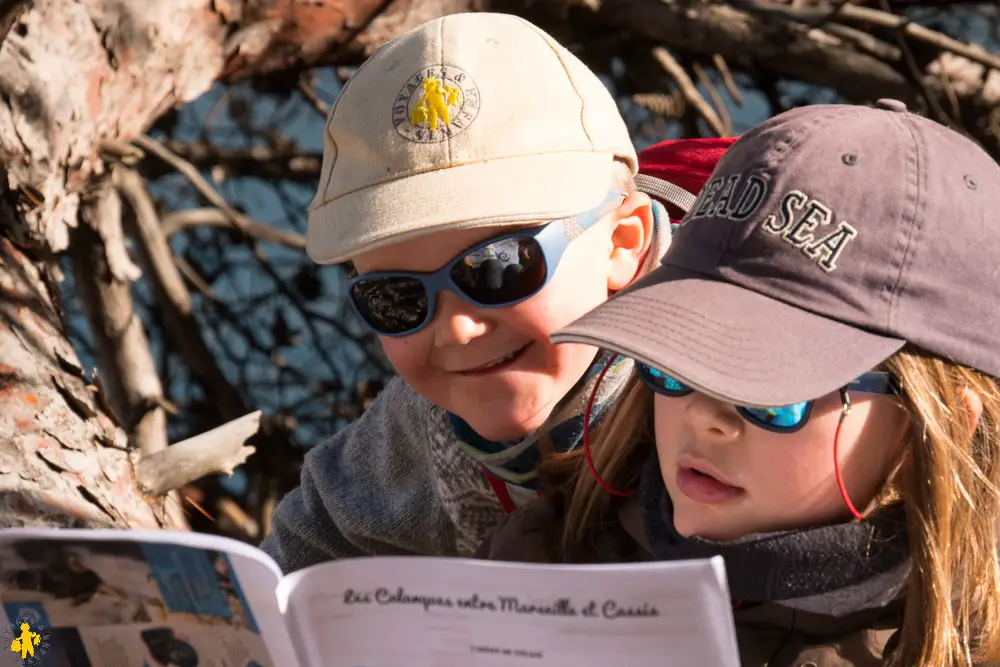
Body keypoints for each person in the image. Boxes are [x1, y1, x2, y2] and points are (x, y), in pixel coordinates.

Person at [479, 99, 1000, 667]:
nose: (706, 417)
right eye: (674, 363)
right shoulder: (540, 567)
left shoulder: (962, 647)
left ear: (941, 422)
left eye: (773, 394)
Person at [259, 10, 735, 570]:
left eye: (497, 267)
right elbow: (309, 544)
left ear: (622, 244)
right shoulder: (427, 424)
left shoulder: (745, 368)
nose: (457, 327)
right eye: (398, 298)